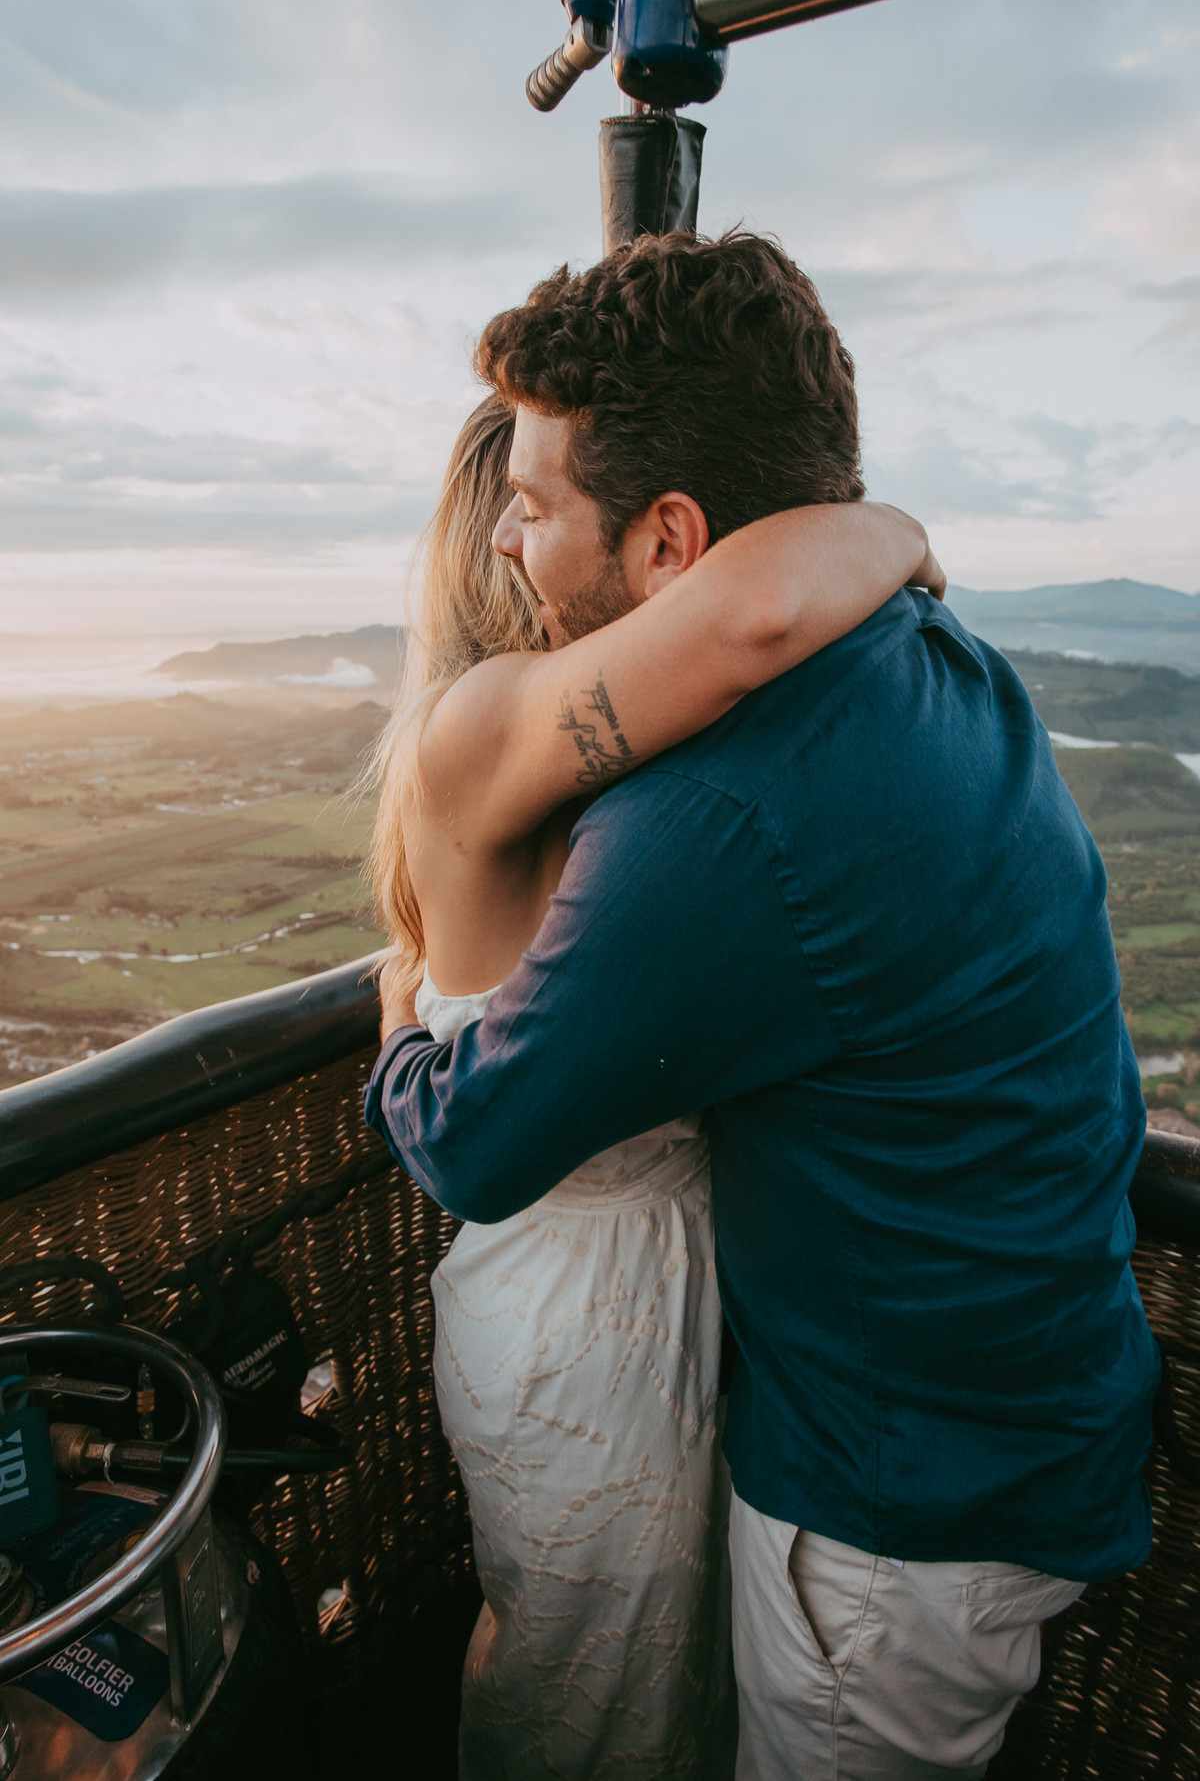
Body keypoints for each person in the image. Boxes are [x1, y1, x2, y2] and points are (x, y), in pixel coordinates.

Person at [366, 230, 1161, 1781]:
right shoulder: (941, 660)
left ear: (669, 544)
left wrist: (402, 1030)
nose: (512, 548)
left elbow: (479, 1136)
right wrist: (888, 529)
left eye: (534, 508)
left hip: (895, 1516)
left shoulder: (717, 827)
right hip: (1018, 1418)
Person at [366, 381, 937, 1781]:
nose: (530, 535)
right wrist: (900, 528)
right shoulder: (490, 724)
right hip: (570, 1319)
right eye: (531, 510)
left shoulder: (604, 765)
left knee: (657, 1696)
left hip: (673, 1290)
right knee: (581, 1700)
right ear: (495, 545)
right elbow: (755, 609)